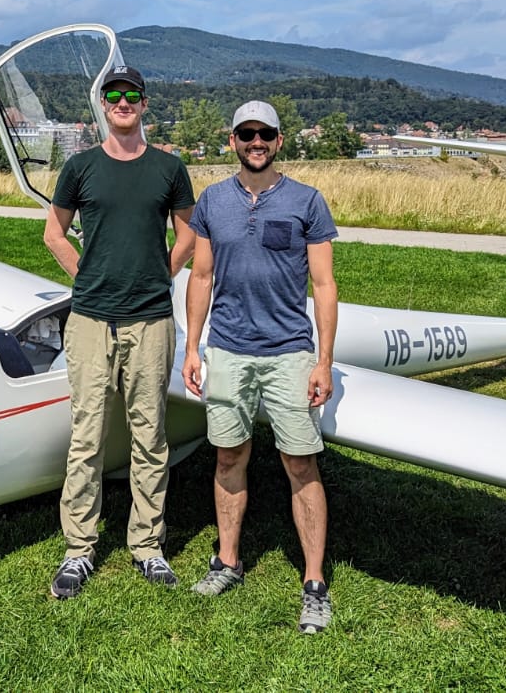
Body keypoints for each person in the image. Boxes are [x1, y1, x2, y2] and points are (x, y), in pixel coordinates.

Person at [182, 100, 339, 633]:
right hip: (227, 349)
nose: (256, 141)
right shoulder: (212, 202)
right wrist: (192, 347)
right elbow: (200, 277)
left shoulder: (307, 202)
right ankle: (227, 561)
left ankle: (314, 583)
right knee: (229, 457)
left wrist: (323, 360)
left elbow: (323, 285)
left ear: (278, 140)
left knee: (300, 464)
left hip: (289, 351)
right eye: (246, 133)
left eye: (264, 133)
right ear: (232, 141)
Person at [45, 64, 197, 599]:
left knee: (149, 435)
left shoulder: (170, 168)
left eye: (131, 95)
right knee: (86, 437)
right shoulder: (81, 166)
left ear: (144, 104)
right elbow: (54, 232)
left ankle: (148, 546)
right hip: (90, 319)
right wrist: (83, 273)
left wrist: (164, 271)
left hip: (151, 319)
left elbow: (189, 234)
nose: (123, 102)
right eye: (114, 95)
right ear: (104, 105)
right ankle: (79, 549)